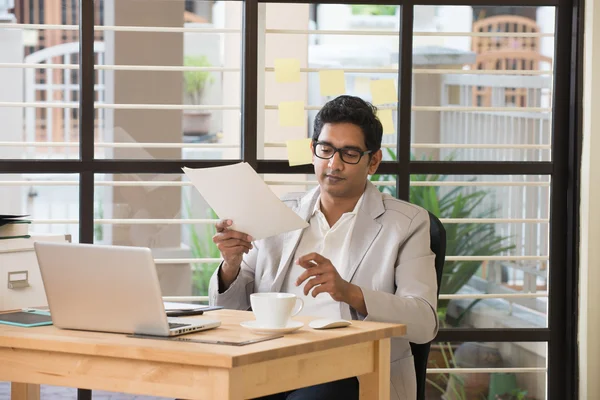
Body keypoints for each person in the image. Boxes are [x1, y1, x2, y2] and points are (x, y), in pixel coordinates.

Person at [208, 95, 438, 400]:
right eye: (326, 149)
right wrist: (231, 265)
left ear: (374, 161)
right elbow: (229, 310)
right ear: (313, 151)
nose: (334, 164)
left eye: (350, 153)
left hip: (352, 370)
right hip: (267, 360)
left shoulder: (406, 223)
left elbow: (424, 322)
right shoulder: (278, 212)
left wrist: (350, 293)